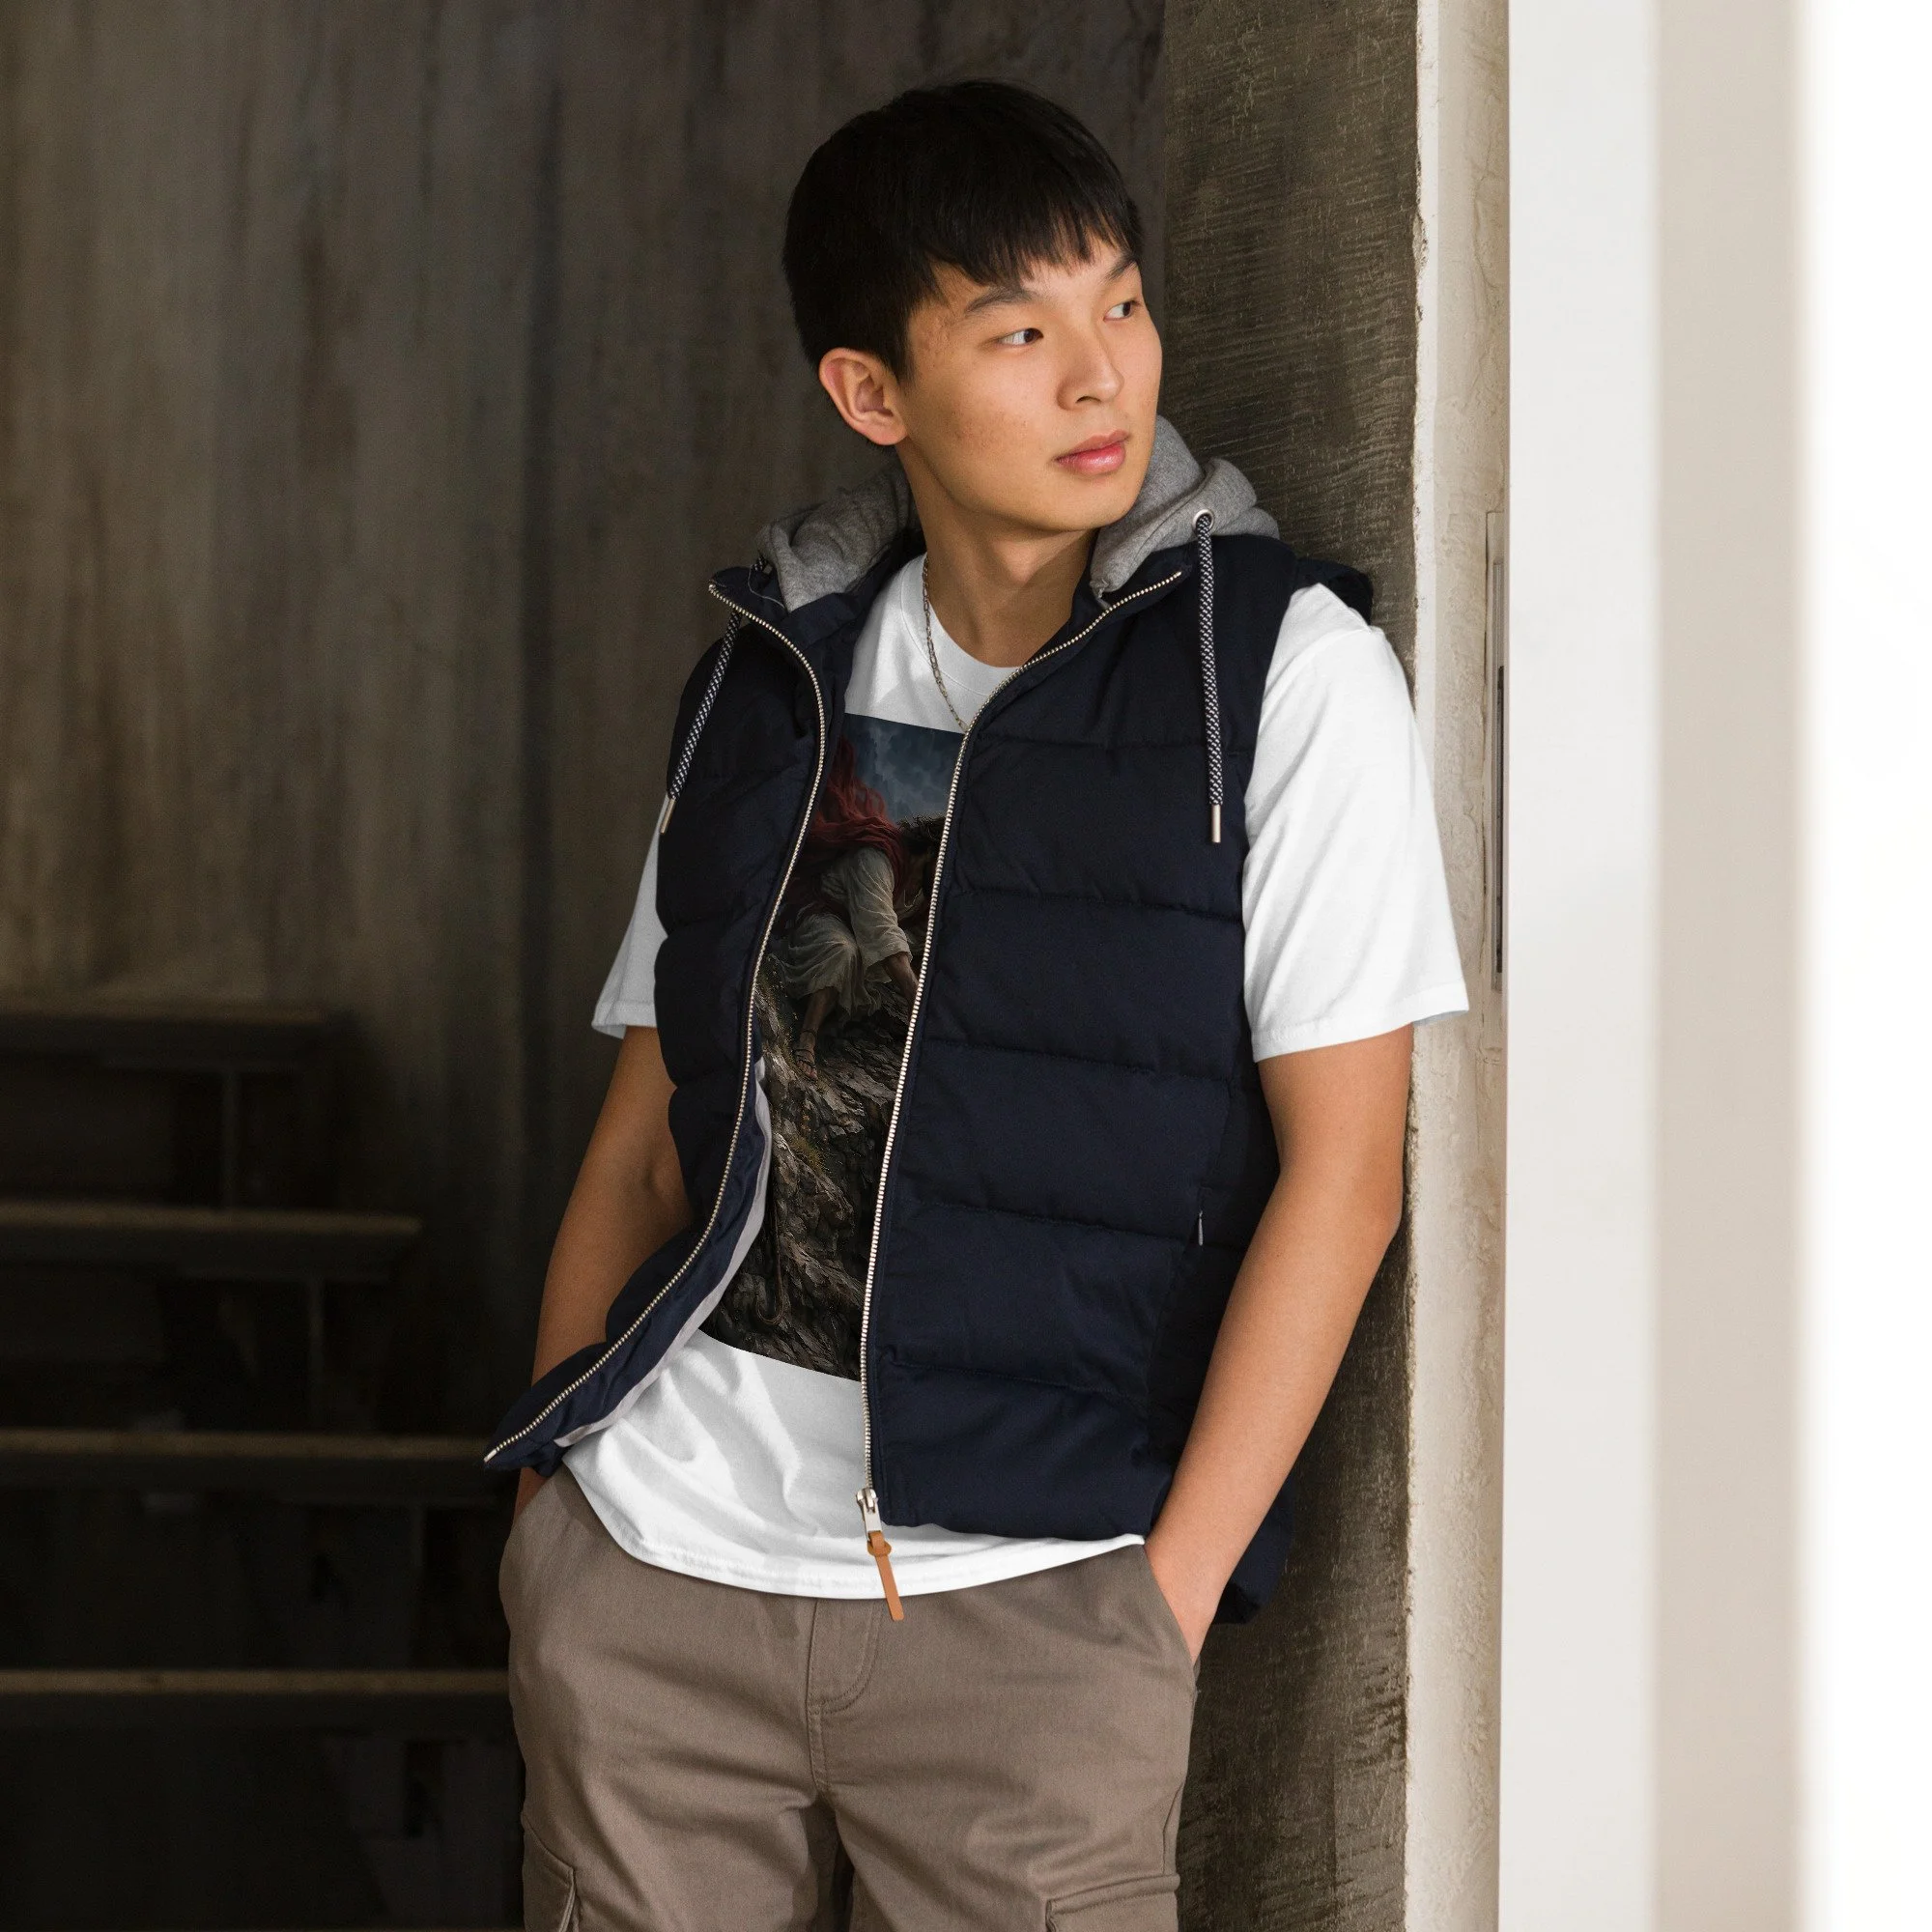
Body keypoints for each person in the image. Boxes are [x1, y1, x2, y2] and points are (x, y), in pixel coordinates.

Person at [488, 79, 1467, 1932]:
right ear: (876, 394)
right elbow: (644, 1143)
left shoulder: (1277, 674)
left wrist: (1157, 1610)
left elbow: (1346, 1176)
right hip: (660, 1580)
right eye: (1021, 333)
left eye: (1122, 304)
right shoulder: (768, 682)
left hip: (1038, 1621)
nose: (1104, 377)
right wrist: (558, 1508)